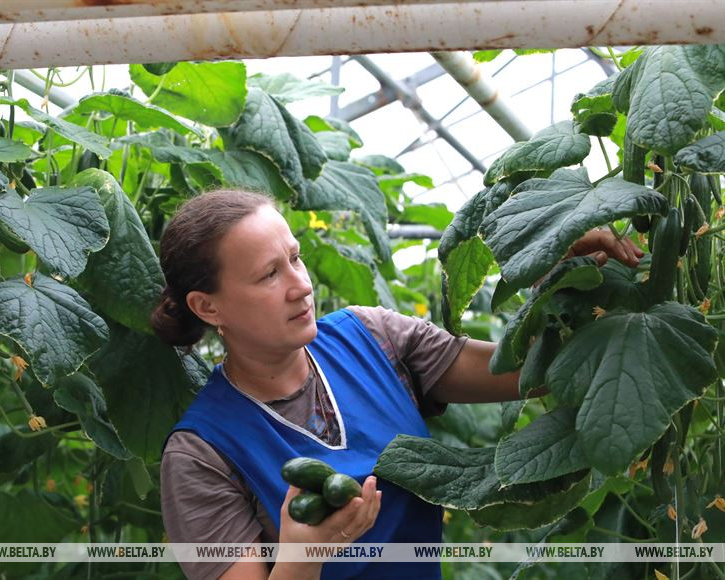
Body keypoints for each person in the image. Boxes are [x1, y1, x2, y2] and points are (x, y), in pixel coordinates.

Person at [152, 189, 643, 580]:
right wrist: (305, 558)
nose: (300, 285)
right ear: (207, 307)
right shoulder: (200, 456)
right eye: (268, 275)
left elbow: (525, 374)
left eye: (296, 259)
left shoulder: (373, 335)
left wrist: (557, 279)